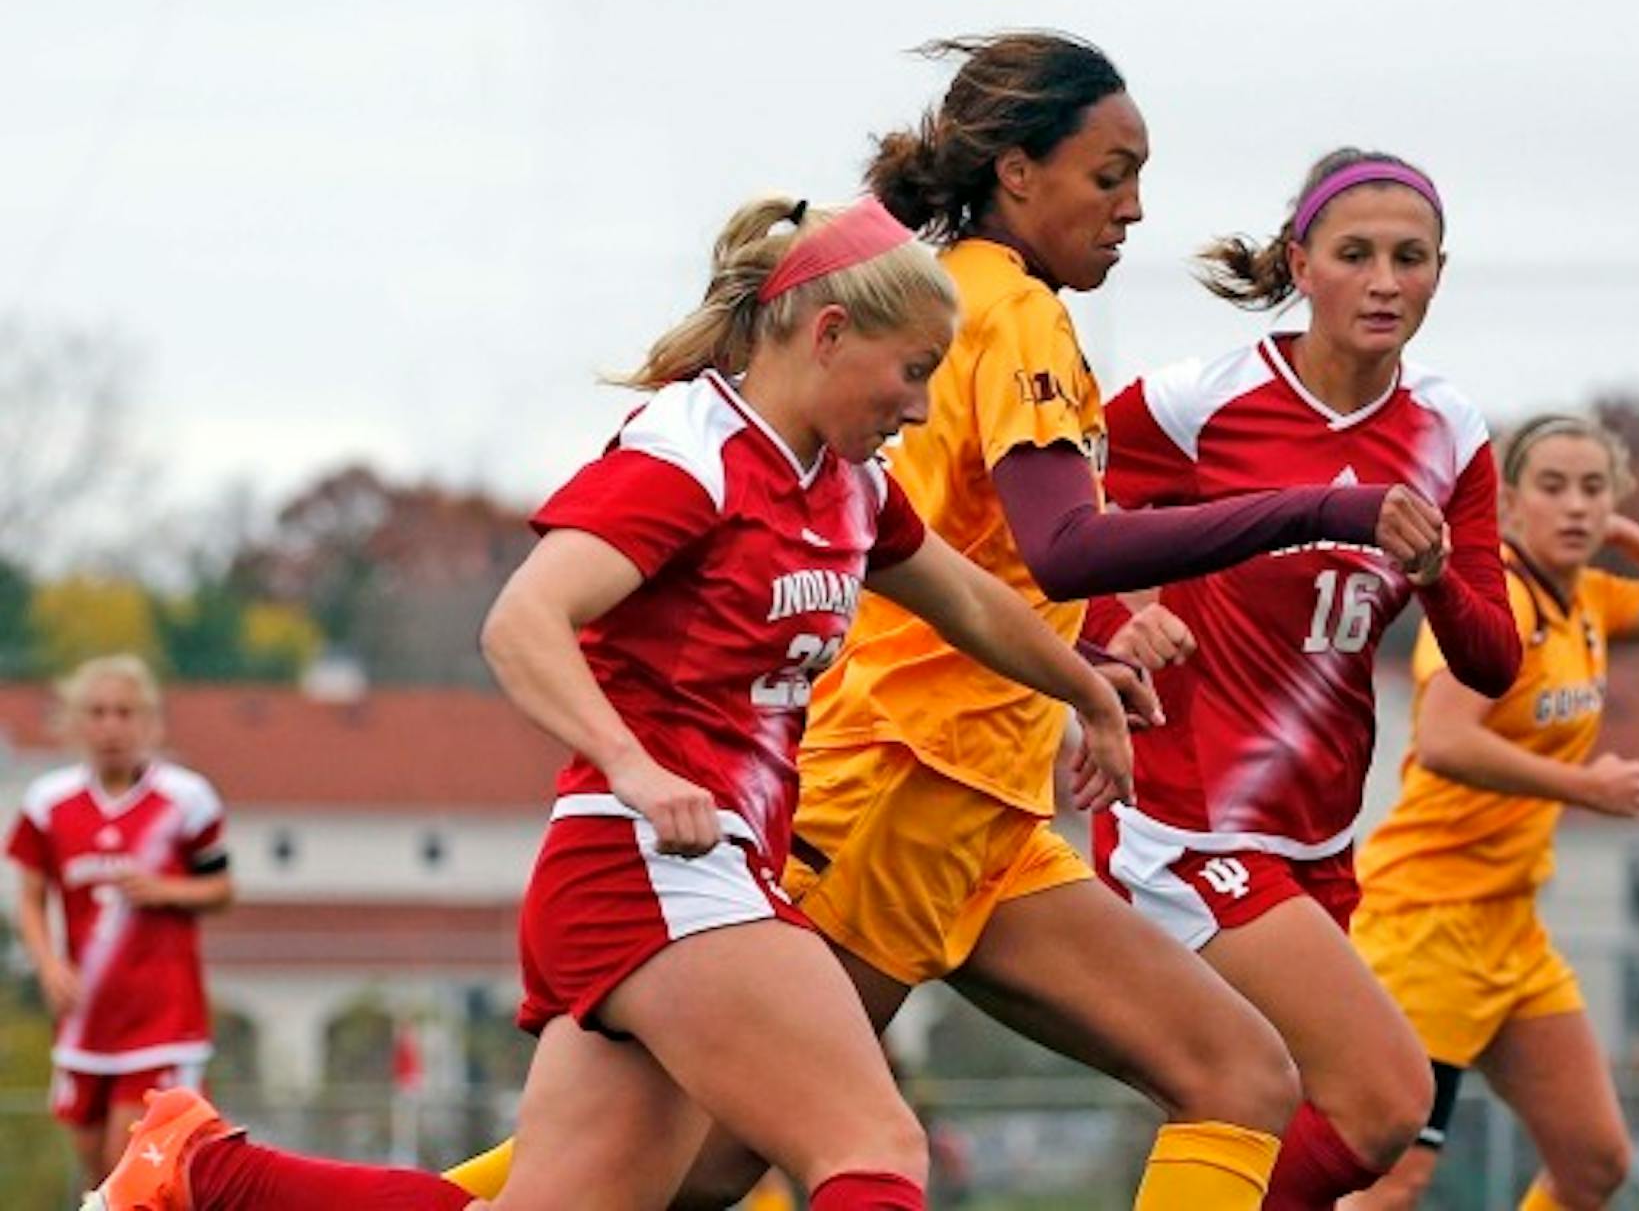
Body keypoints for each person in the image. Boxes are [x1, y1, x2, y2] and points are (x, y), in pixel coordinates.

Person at [447, 33, 1454, 1211]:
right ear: (1018, 171)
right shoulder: (1003, 311)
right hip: (903, 785)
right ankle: (226, 1178)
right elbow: (1059, 545)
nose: (1135, 209)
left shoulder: (945, 301)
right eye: (1111, 174)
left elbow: (969, 563)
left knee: (1237, 1074)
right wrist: (1318, 515)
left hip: (988, 802)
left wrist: (1083, 669)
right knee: (680, 1172)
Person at [88, 191, 1148, 1211]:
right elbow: (521, 623)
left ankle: (200, 1172)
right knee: (872, 1144)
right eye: (912, 372)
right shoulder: (690, 454)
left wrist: (1084, 692)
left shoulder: (847, 482)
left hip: (684, 874)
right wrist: (636, 767)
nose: (919, 404)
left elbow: (969, 599)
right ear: (827, 334)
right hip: (650, 867)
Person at [1086, 147, 1521, 1210]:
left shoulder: (1449, 430)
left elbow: (1494, 660)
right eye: (1357, 254)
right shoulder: (1204, 401)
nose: (1385, 281)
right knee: (1384, 1101)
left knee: (1279, 1116)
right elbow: (1047, 521)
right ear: (1302, 265)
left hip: (1318, 835)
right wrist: (1115, 627)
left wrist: (1437, 580)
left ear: (1440, 274)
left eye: (1410, 258)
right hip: (1189, 825)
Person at [1345, 413, 1639, 1211]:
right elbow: (1445, 742)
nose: (1574, 507)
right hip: (1425, 923)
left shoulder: (1589, 597)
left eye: (1593, 490)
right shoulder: (1495, 602)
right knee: (1393, 1183)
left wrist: (1617, 529)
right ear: (1509, 504)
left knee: (1593, 1163)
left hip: (1512, 931)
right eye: (1553, 488)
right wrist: (1584, 788)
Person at [6, 654, 232, 1191]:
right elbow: (30, 898)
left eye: (125, 713)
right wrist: (46, 964)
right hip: (85, 1019)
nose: (111, 726)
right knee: (96, 1171)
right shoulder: (49, 804)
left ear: (149, 721)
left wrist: (166, 890)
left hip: (163, 1018)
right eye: (99, 713)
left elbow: (221, 889)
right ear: (76, 722)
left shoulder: (186, 800)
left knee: (131, 1165)